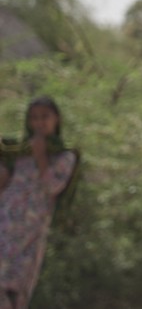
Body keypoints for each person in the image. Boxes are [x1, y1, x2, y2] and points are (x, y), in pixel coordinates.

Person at [0, 97, 79, 309]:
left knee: (16, 286)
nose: (39, 123)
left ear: (57, 119)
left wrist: (41, 155)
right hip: (5, 223)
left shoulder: (64, 156)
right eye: (34, 118)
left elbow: (53, 186)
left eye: (45, 117)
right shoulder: (18, 151)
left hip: (31, 229)